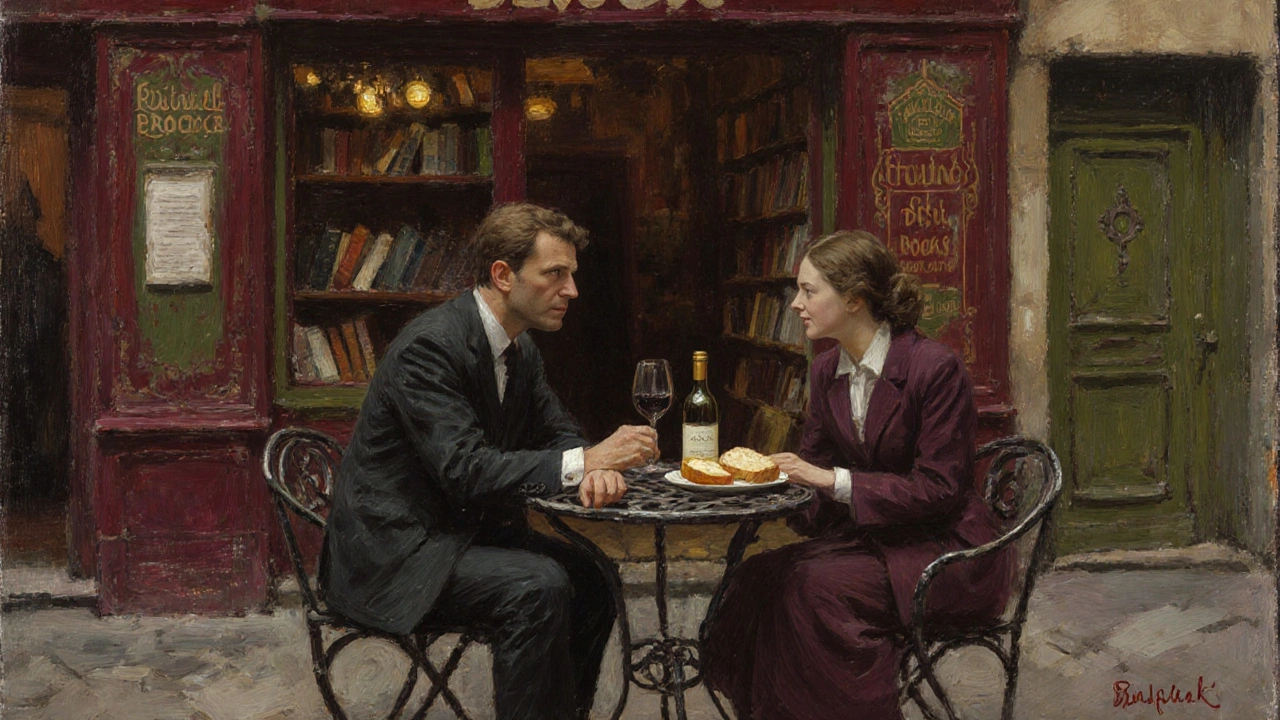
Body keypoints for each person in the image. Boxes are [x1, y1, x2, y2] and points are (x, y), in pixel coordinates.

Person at [322, 202, 659, 720]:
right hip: (397, 555)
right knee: (536, 585)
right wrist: (586, 460)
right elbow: (465, 470)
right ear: (503, 275)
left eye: (572, 275)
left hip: (459, 537)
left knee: (592, 576)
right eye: (555, 274)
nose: (572, 291)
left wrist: (596, 465)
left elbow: (559, 431)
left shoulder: (520, 350)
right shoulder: (431, 347)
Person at [701, 230, 1012, 720]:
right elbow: (814, 475)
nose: (796, 305)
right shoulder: (826, 371)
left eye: (809, 291)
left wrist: (830, 481)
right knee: (758, 577)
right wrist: (766, 489)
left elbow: (941, 490)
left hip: (945, 552)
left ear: (854, 299)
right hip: (874, 541)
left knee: (811, 585)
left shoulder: (934, 368)